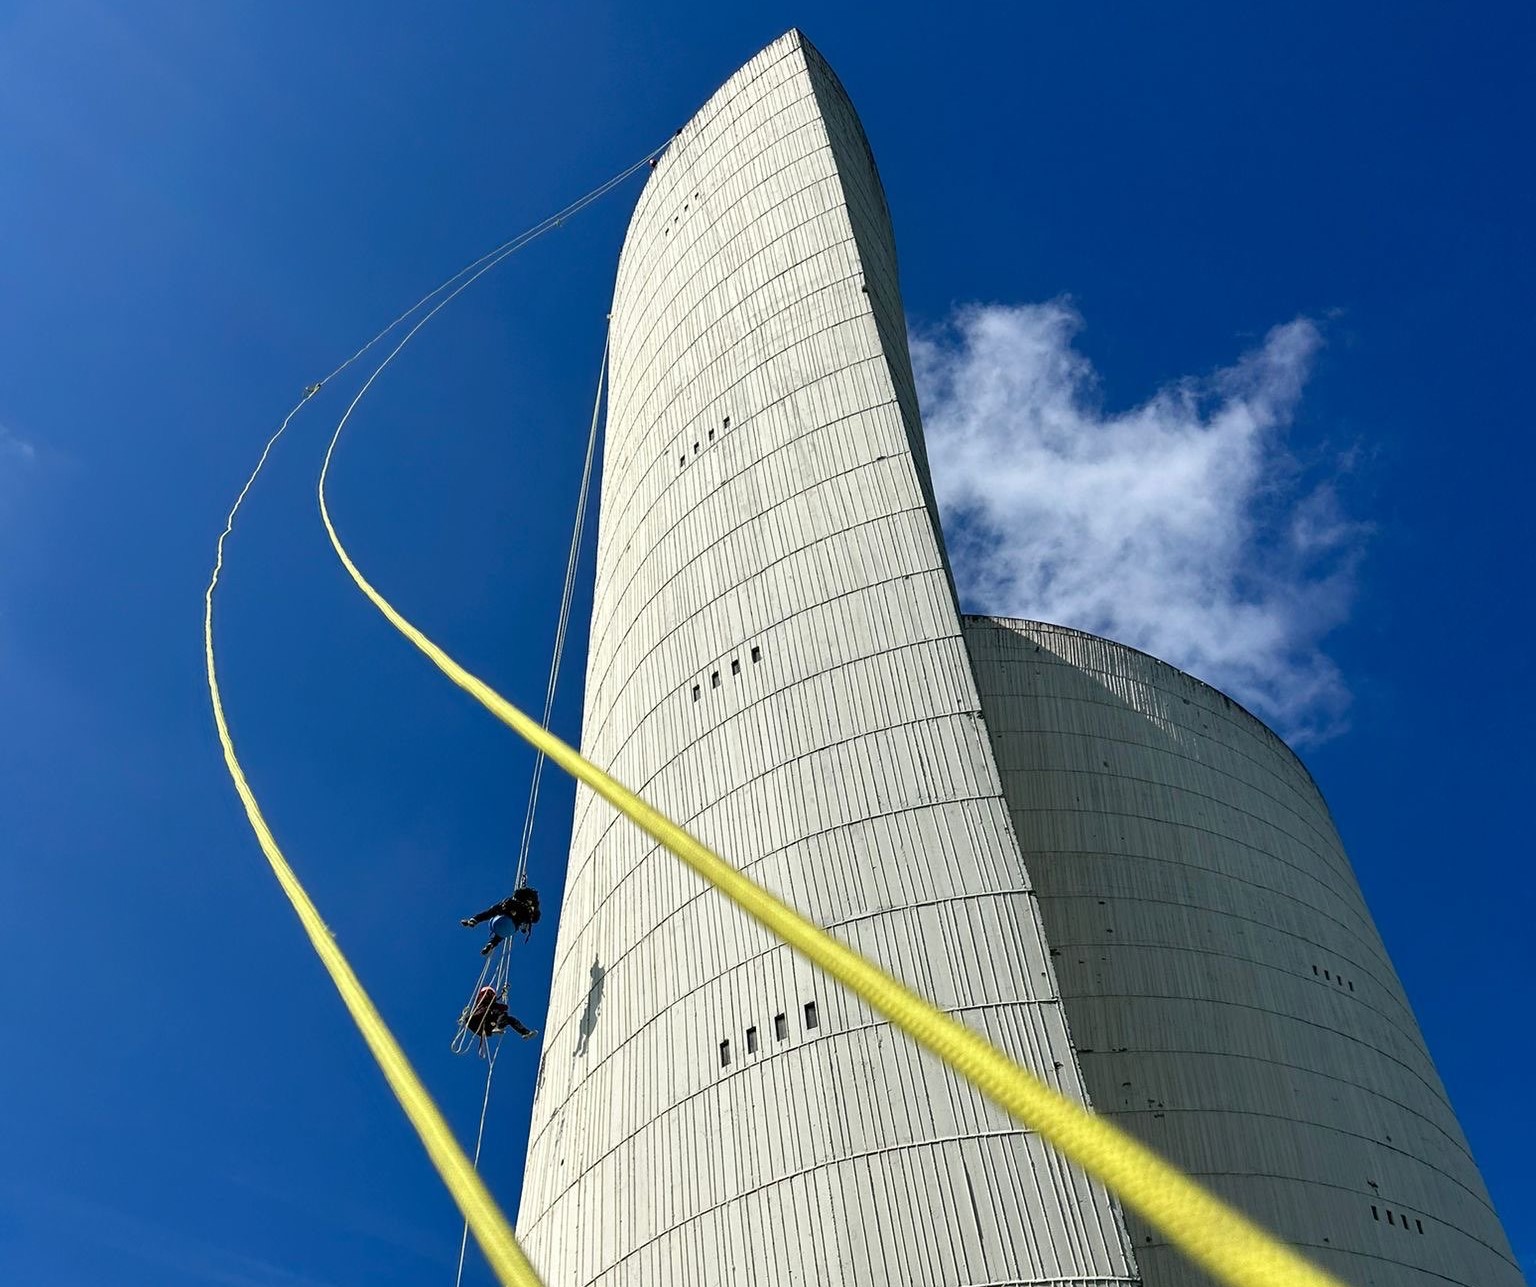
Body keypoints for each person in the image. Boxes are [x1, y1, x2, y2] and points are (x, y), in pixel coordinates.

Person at [461, 886, 540, 954]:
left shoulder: (523, 893)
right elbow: (535, 919)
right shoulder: (534, 906)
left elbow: (516, 893)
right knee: (501, 934)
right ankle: (491, 944)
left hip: (503, 916)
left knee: (491, 912)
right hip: (511, 926)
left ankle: (474, 920)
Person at [460, 986, 537, 1050]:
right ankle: (498, 1027)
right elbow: (493, 1003)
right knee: (503, 1014)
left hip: (485, 1025)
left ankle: (525, 1033)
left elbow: (499, 1006)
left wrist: (502, 996)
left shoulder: (489, 1004)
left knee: (510, 1019)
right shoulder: (484, 1001)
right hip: (483, 1019)